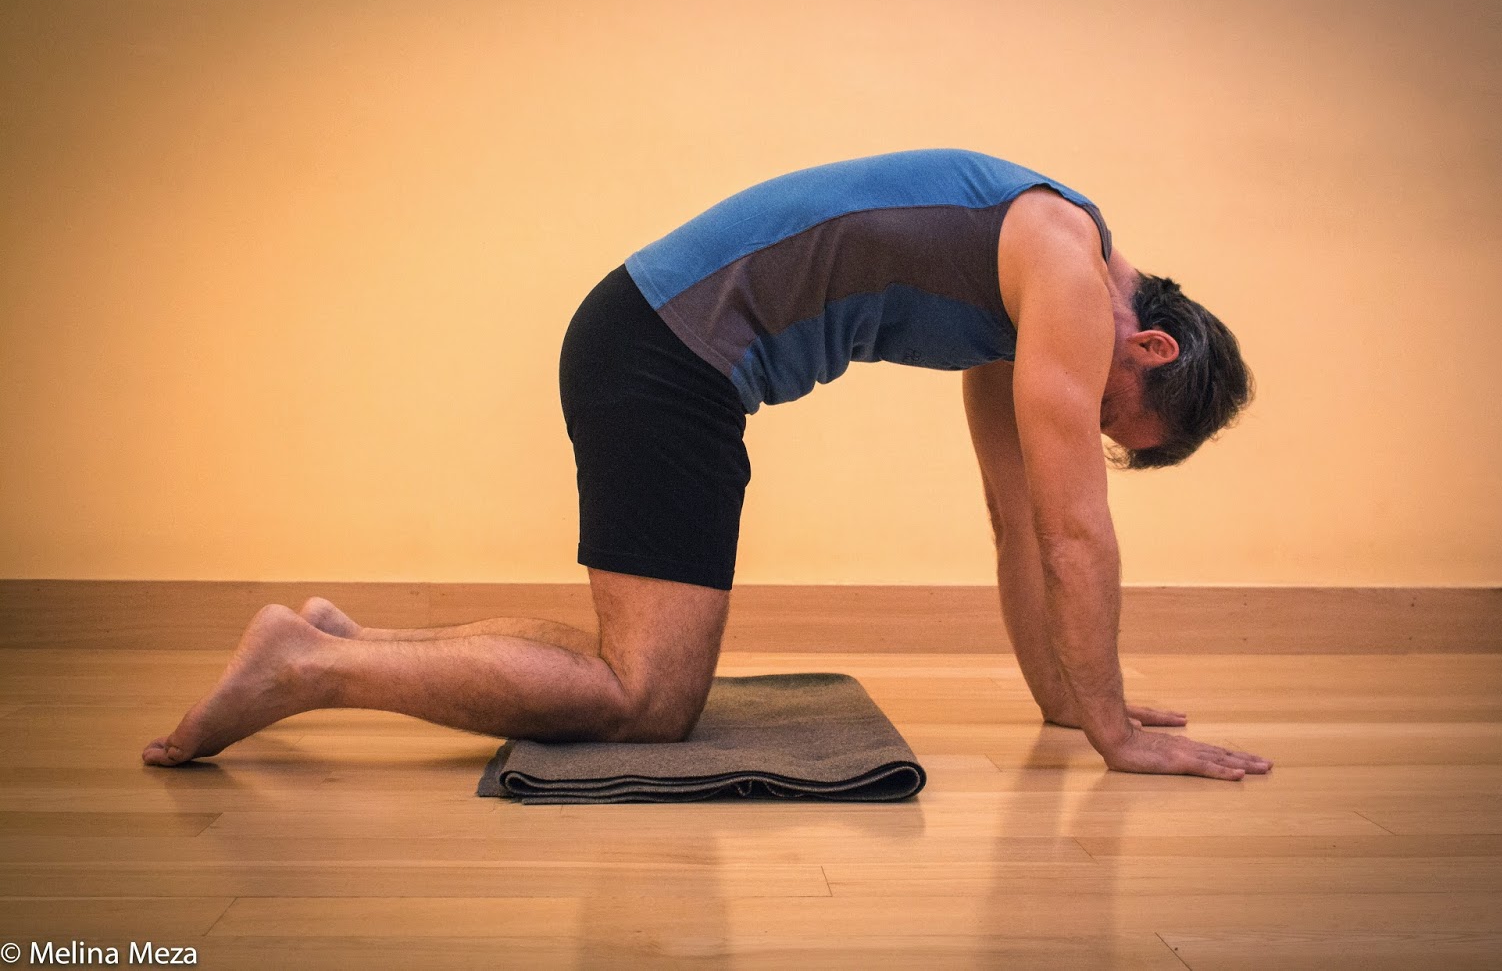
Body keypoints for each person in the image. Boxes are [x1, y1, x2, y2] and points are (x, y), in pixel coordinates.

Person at [144, 148, 1272, 781]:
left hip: (655, 347)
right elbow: (1075, 531)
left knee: (633, 671)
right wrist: (1117, 731)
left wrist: (1071, 700)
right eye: (1115, 418)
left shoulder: (1032, 283)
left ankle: (341, 642)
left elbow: (1020, 517)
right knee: (644, 700)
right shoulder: (1066, 269)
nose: (1091, 431)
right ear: (1150, 347)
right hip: (663, 356)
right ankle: (308, 669)